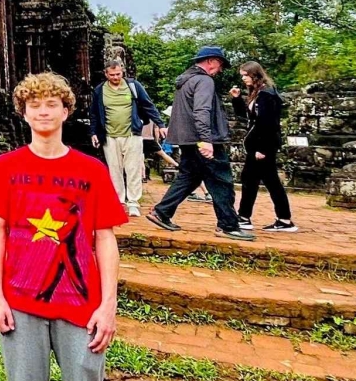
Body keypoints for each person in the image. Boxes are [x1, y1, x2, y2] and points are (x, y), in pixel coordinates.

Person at [0, 72, 126, 381]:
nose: (43, 112)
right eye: (34, 105)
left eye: (52, 104)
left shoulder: (90, 170)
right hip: (21, 304)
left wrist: (108, 305)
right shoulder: (6, 167)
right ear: (23, 113)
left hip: (79, 306)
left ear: (67, 111)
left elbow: (104, 239)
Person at [147, 46, 256, 240]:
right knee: (221, 181)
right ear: (211, 61)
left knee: (189, 177)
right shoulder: (204, 81)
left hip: (187, 139)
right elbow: (201, 111)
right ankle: (228, 225)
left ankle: (162, 211)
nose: (220, 69)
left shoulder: (185, 80)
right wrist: (206, 139)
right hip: (202, 139)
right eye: (220, 64)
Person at [89, 59, 165, 218]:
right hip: (109, 135)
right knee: (114, 170)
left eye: (118, 74)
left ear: (122, 72)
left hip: (131, 134)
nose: (116, 77)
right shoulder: (99, 90)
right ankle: (118, 201)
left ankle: (133, 202)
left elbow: (148, 105)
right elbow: (94, 114)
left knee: (133, 168)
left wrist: (160, 123)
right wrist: (93, 133)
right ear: (106, 74)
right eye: (112, 75)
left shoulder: (133, 86)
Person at [231, 61, 297, 233]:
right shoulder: (257, 93)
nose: (244, 79)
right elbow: (246, 118)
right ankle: (246, 216)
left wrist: (263, 149)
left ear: (255, 74)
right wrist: (237, 99)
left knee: (266, 181)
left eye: (245, 75)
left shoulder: (267, 94)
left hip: (263, 145)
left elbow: (269, 124)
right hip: (257, 144)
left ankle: (282, 219)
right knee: (253, 179)